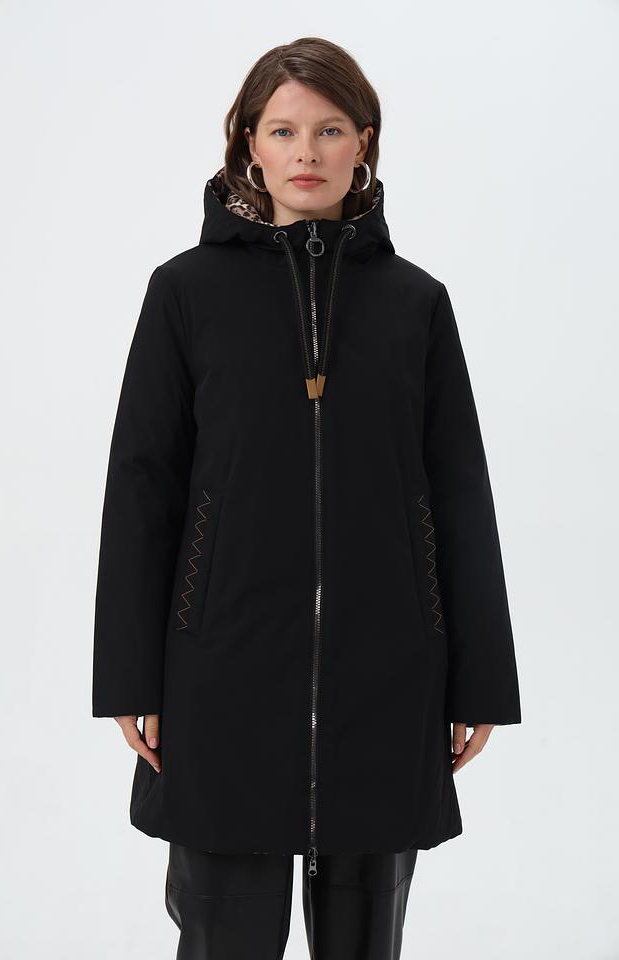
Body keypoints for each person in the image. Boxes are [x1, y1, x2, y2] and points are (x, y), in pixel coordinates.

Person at [92, 36, 522, 960]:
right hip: (221, 675)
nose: (307, 152)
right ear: (249, 143)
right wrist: (129, 674)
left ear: (364, 142)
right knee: (225, 938)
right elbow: (142, 488)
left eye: (330, 130)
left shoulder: (416, 304)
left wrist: (480, 675)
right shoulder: (185, 293)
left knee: (365, 941)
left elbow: (459, 492)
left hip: (388, 675)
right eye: (283, 130)